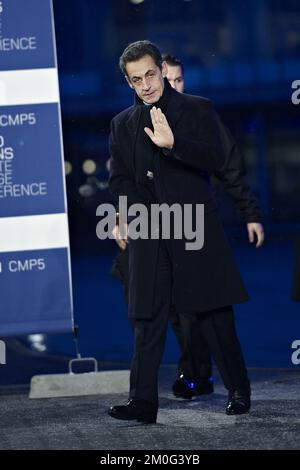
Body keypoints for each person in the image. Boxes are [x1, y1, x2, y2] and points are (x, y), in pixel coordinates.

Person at [108, 40, 253, 424]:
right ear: (129, 82)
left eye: (151, 75)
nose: (146, 85)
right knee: (147, 318)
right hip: (150, 232)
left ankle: (238, 390)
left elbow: (215, 159)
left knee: (213, 315)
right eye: (136, 79)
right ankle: (142, 402)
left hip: (194, 229)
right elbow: (119, 178)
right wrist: (131, 213)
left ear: (161, 70)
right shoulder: (121, 124)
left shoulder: (197, 109)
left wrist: (174, 146)